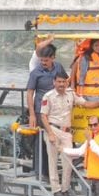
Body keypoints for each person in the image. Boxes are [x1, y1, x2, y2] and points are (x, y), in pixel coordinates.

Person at [24, 44, 67, 176]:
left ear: (53, 58)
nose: (43, 63)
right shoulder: (35, 73)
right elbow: (30, 93)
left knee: (57, 138)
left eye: (46, 60)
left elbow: (65, 82)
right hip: (41, 110)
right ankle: (40, 171)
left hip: (57, 110)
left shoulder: (59, 67)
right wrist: (32, 114)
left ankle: (55, 170)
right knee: (41, 140)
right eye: (41, 60)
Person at [40, 73, 77, 196]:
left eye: (63, 82)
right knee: (53, 161)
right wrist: (50, 133)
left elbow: (84, 103)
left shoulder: (71, 94)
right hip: (53, 129)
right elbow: (43, 116)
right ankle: (56, 189)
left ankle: (65, 188)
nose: (61, 84)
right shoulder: (48, 96)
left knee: (68, 161)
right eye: (59, 82)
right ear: (54, 82)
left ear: (67, 82)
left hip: (66, 132)